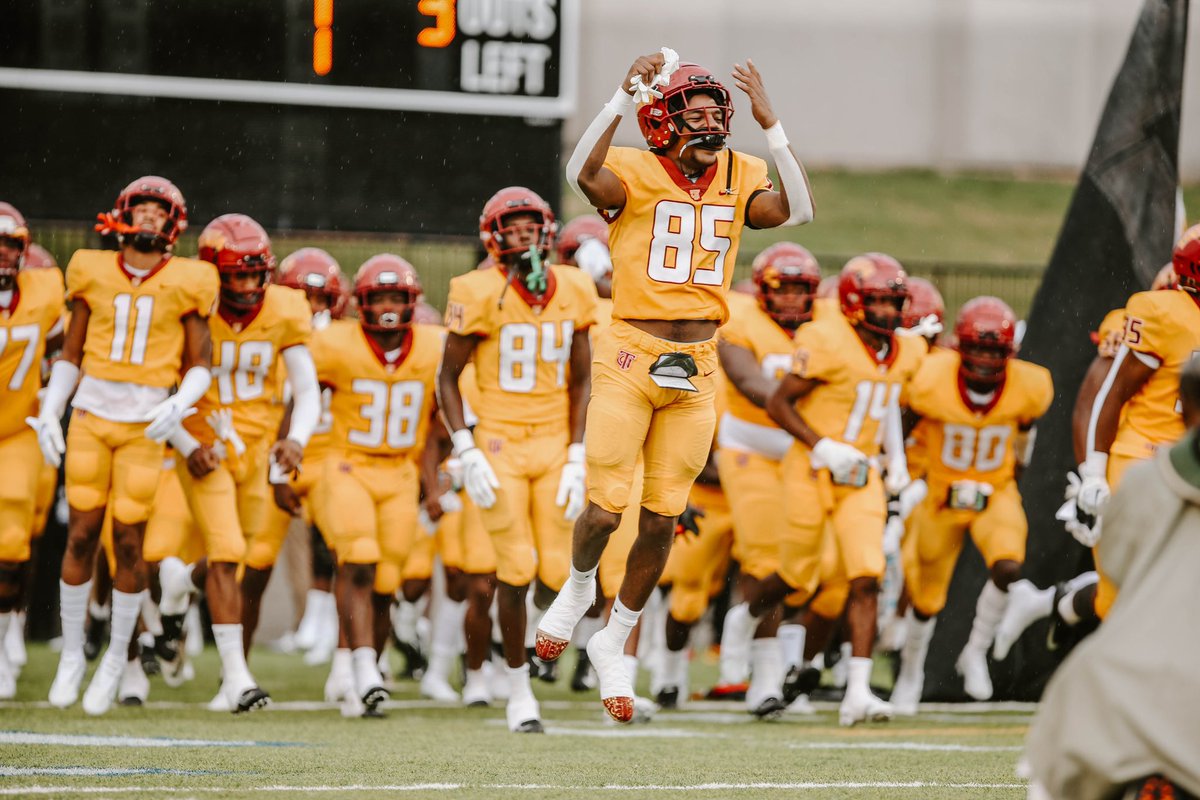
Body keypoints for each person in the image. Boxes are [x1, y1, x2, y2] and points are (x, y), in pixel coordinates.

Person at [535, 49, 814, 723]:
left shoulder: (741, 172)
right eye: (697, 111)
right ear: (664, 121)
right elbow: (580, 174)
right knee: (604, 511)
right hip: (631, 353)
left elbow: (798, 211)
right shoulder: (632, 168)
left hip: (698, 367)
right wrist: (618, 99)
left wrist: (772, 124)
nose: (712, 121)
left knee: (661, 520)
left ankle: (615, 639)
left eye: (718, 112)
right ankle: (575, 594)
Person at [29, 177, 218, 715]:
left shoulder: (189, 280)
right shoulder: (89, 268)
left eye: (161, 212)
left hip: (143, 427)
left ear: (174, 225)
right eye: (143, 209)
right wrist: (49, 409)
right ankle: (72, 653)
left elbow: (200, 364)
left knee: (130, 546)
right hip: (90, 416)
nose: (151, 219)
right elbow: (70, 351)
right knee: (82, 535)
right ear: (123, 214)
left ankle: (116, 658)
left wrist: (179, 404)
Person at [729, 254, 923, 726]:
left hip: (860, 476)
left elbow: (888, 399)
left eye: (894, 301)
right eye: (878, 301)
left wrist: (894, 460)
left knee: (865, 575)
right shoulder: (826, 340)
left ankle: (857, 690)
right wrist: (824, 446)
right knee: (796, 576)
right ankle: (744, 617)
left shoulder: (907, 350)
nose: (888, 311)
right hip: (812, 469)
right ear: (856, 302)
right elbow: (777, 402)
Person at [438, 187, 597, 733]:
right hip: (501, 444)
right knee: (515, 568)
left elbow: (582, 378)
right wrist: (466, 447)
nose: (525, 234)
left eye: (533, 225)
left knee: (560, 568)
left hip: (555, 443)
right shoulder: (476, 290)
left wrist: (578, 452)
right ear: (494, 234)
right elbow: (447, 377)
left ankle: (538, 651)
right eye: (514, 226)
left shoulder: (574, 287)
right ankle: (517, 688)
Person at [157, 213, 320, 712]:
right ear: (212, 272)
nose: (248, 285)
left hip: (259, 447)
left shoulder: (285, 307)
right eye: (237, 275)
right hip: (205, 448)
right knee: (226, 551)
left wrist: (295, 438)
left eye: (256, 273)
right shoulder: (188, 305)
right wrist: (187, 445)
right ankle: (237, 678)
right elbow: (158, 387)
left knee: (247, 559)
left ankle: (178, 582)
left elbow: (307, 388)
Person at [1023, 358, 1200, 800]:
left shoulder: (1144, 482)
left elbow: (1118, 575)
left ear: (1182, 409)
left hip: (1127, 681)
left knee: (1057, 761)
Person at [889, 297, 1052, 712]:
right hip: (942, 495)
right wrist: (897, 466)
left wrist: (1020, 465)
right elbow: (904, 419)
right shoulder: (931, 379)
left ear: (1008, 352)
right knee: (926, 599)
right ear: (960, 347)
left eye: (993, 350)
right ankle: (911, 673)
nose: (983, 358)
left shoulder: (1030, 385)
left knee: (1009, 564)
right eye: (977, 348)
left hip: (994, 489)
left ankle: (975, 649)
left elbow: (1026, 427)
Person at [311, 254, 447, 717]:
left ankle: (365, 667)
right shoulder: (336, 343)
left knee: (388, 581)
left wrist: (439, 476)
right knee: (359, 560)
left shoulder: (435, 346)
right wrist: (291, 442)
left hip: (400, 473)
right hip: (347, 465)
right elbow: (302, 393)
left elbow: (442, 418)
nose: (388, 305)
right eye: (380, 296)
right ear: (361, 303)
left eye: (396, 296)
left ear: (412, 302)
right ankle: (364, 666)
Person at [709, 242, 820, 717]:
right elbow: (751, 384)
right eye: (784, 289)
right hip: (750, 447)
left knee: (814, 563)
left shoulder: (829, 326)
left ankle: (764, 646)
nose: (793, 299)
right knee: (768, 558)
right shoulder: (739, 319)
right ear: (762, 290)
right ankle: (768, 681)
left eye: (802, 290)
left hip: (803, 450)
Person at [0, 203, 65, 699]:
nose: (4, 254)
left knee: (11, 541)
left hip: (17, 430)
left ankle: (6, 640)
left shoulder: (44, 292)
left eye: (11, 245)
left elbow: (68, 348)